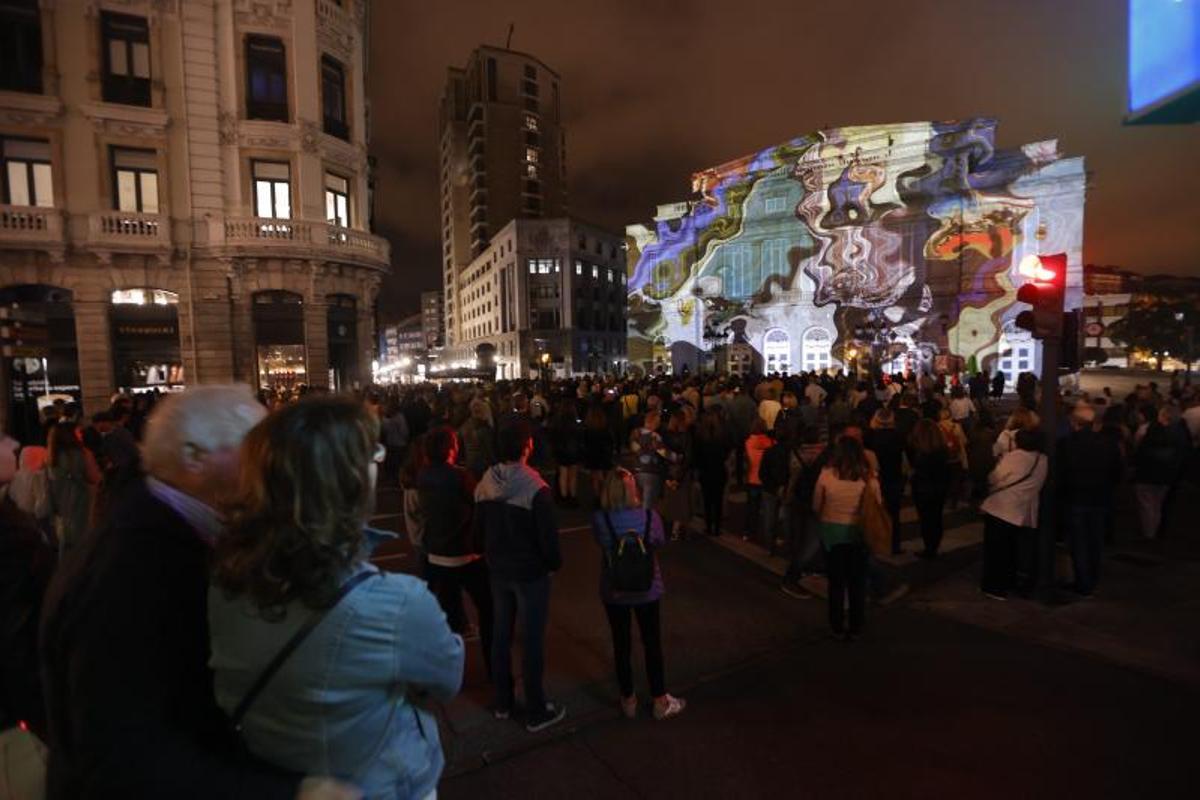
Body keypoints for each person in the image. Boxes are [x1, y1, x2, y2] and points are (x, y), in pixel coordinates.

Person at [40, 386, 356, 799]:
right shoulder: (132, 567)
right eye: (256, 447)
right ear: (194, 458)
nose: (276, 463)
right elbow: (121, 753)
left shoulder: (159, 531)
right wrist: (290, 793)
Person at [209, 397, 464, 799]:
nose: (378, 461)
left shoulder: (222, 579)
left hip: (275, 776)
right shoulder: (396, 603)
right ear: (349, 480)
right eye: (372, 453)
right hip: (380, 786)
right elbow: (446, 677)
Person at [474, 420, 566, 732]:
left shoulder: (486, 481)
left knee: (501, 634)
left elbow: (477, 531)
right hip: (529, 573)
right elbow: (548, 540)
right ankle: (536, 708)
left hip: (498, 570)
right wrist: (552, 563)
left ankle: (503, 701)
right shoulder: (535, 488)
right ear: (526, 446)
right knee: (531, 639)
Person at [591, 470, 686, 721]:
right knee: (651, 642)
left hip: (615, 590)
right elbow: (659, 542)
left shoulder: (601, 519)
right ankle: (659, 700)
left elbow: (602, 543)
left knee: (621, 644)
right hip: (647, 589)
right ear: (631, 490)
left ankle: (628, 699)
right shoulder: (649, 517)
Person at [418, 426, 493, 672]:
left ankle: (451, 665)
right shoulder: (460, 476)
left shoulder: (424, 475)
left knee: (450, 607)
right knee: (487, 605)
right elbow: (479, 503)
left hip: (436, 553)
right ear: (451, 448)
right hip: (464, 551)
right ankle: (493, 664)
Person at [813, 436, 881, 640]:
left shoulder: (826, 475)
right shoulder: (869, 478)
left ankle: (836, 626)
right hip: (858, 533)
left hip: (831, 533)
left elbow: (816, 505)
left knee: (836, 583)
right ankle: (855, 626)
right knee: (857, 582)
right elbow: (877, 505)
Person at [1058, 404, 1123, 597]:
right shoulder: (1109, 444)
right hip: (1100, 498)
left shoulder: (1066, 444)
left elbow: (1060, 474)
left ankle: (1083, 581)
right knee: (1095, 540)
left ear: (1074, 423)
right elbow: (1117, 472)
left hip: (1076, 498)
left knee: (1078, 542)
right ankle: (1092, 577)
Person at [979, 429, 1048, 600]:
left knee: (996, 550)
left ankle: (994, 587)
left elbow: (994, 478)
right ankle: (1009, 581)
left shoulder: (1015, 457)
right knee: (1011, 549)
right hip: (1022, 510)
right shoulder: (1043, 459)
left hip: (1001, 508)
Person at [45, 422, 101, 555]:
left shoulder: (51, 456)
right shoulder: (83, 453)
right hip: (81, 500)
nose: (81, 434)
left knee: (66, 538)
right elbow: (95, 478)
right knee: (83, 538)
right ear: (69, 435)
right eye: (77, 432)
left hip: (60, 502)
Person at [907, 418, 951, 558]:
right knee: (936, 517)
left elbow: (916, 469)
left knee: (926, 519)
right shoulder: (942, 450)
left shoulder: (919, 451)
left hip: (923, 488)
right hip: (940, 487)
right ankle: (934, 545)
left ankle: (929, 548)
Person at [865, 409, 905, 555]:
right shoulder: (898, 436)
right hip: (894, 475)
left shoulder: (870, 436)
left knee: (874, 510)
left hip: (875, 476)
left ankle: (876, 542)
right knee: (894, 512)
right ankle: (894, 544)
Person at [694, 407, 732, 537]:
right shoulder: (722, 437)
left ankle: (709, 525)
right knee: (718, 499)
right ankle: (717, 527)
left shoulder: (700, 437)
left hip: (705, 471)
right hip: (719, 470)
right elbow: (727, 452)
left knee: (707, 499)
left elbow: (697, 456)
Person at [629, 410, 675, 511]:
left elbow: (634, 449)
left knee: (637, 501)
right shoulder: (655, 436)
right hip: (651, 472)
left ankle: (637, 523)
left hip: (636, 470)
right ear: (656, 423)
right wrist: (676, 457)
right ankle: (647, 524)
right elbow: (663, 452)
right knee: (648, 505)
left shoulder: (635, 433)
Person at [743, 418, 773, 543]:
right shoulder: (771, 442)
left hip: (752, 478)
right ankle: (769, 535)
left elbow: (746, 462)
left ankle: (749, 532)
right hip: (766, 479)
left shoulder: (748, 442)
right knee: (768, 510)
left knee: (752, 508)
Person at [549, 399, 583, 505]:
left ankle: (563, 497)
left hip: (561, 450)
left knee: (563, 474)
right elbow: (580, 437)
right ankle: (572, 495)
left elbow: (552, 436)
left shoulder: (557, 422)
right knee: (573, 475)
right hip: (574, 450)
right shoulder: (576, 423)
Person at [582, 403, 616, 501]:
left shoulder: (588, 429)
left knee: (595, 476)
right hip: (604, 455)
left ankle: (597, 496)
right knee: (602, 476)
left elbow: (585, 443)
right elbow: (611, 442)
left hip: (592, 455)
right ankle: (605, 495)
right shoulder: (605, 428)